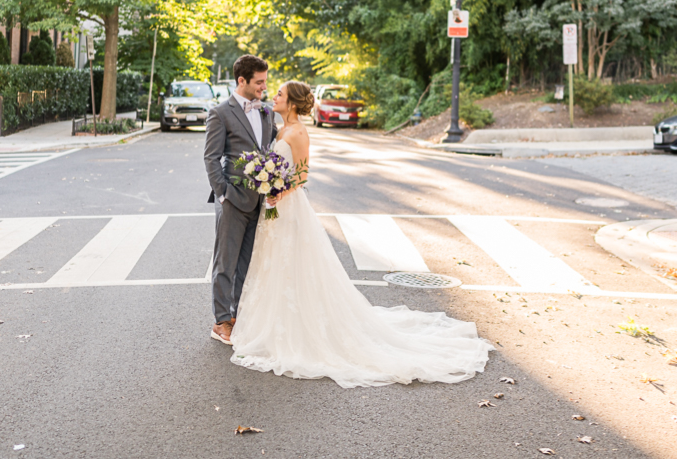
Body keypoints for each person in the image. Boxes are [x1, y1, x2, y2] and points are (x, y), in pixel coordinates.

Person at [228, 80, 493, 388]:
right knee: (275, 266)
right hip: (274, 209)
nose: (274, 96)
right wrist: (267, 184)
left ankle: (299, 328)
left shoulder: (298, 132)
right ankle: (273, 326)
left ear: (294, 103)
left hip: (289, 207)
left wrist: (278, 192)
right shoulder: (279, 129)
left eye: (280, 94)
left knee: (294, 266)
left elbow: (301, 175)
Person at [203, 54, 278, 345]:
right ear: (241, 81)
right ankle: (221, 321)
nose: (263, 87)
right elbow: (211, 157)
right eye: (259, 82)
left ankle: (239, 316)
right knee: (225, 263)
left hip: (259, 201)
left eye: (265, 82)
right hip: (233, 200)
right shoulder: (220, 113)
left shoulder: (267, 112)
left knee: (246, 263)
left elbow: (272, 147)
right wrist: (222, 195)